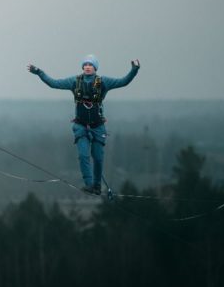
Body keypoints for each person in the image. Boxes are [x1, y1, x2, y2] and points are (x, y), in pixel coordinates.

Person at [27, 55, 140, 195]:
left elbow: (124, 81)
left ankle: (97, 186)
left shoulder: (103, 82)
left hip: (98, 126)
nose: (87, 66)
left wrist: (134, 69)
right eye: (85, 64)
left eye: (90, 65)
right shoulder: (75, 81)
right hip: (81, 126)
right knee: (83, 155)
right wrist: (39, 72)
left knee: (98, 157)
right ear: (82, 67)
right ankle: (89, 184)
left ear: (95, 68)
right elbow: (54, 83)